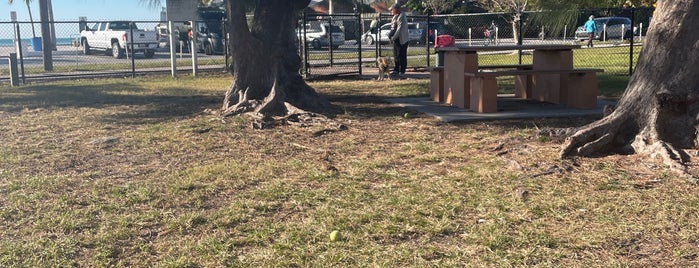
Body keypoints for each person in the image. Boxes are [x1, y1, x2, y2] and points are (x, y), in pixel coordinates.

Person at [389, 3, 409, 77]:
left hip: (402, 39)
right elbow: (393, 27)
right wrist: (390, 35)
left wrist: (393, 38)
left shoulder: (402, 17)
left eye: (392, 9)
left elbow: (399, 30)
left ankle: (402, 70)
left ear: (396, 9)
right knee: (396, 55)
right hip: (396, 39)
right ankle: (396, 69)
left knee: (402, 55)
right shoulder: (395, 16)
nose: (391, 11)